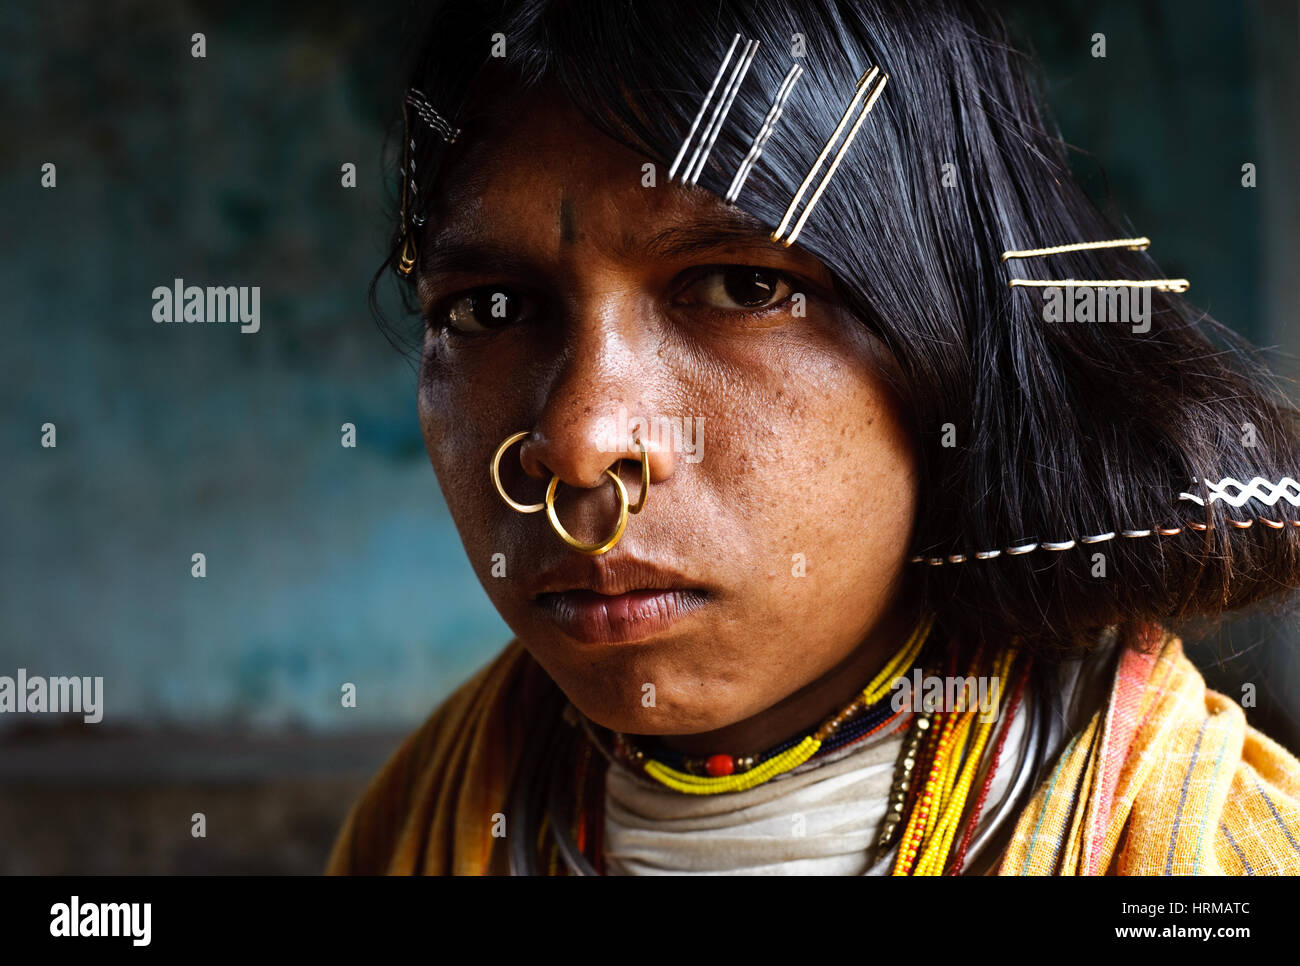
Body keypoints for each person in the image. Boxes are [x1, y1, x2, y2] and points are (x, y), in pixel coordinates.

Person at [327, 0, 1300, 875]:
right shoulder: (423, 816)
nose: (581, 442)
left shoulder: (1206, 851)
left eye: (741, 287)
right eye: (489, 306)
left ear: (958, 343)